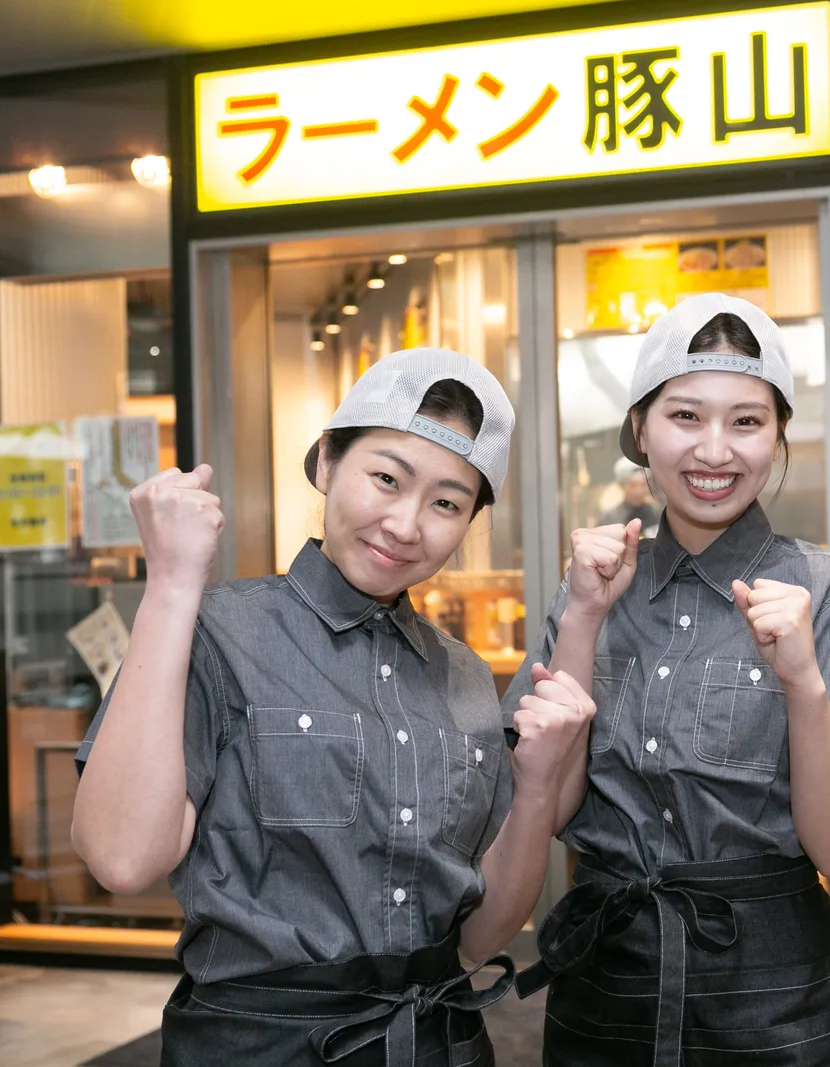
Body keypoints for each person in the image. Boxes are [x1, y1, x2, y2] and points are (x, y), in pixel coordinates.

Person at [72, 349, 596, 1067]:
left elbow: (479, 938)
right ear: (325, 463)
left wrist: (536, 783)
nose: (406, 523)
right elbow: (121, 857)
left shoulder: (466, 676)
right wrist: (168, 582)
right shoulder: (214, 630)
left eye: (446, 502)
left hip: (440, 1044)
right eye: (385, 477)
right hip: (255, 1047)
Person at [505, 293, 830, 1066]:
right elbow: (549, 808)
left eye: (746, 421)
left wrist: (803, 680)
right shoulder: (593, 585)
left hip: (773, 985)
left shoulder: (827, 592)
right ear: (639, 433)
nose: (714, 451)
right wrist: (583, 617)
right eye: (685, 416)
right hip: (605, 968)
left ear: (779, 435)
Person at [598, 456, 662, 537]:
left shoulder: (657, 516)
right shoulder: (609, 519)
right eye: (633, 485)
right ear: (622, 486)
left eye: (643, 484)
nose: (638, 491)